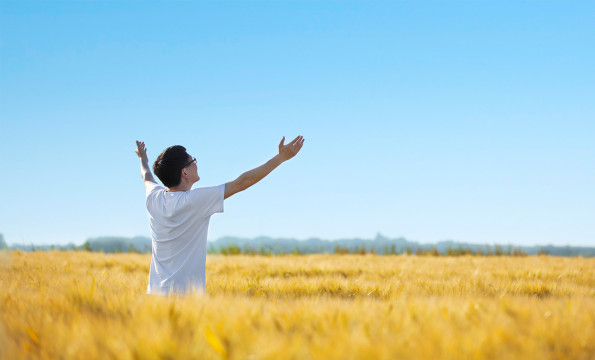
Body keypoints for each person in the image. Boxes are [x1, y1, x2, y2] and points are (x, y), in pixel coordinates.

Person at [134, 136, 305, 295]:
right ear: (184, 173)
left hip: (155, 294)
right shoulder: (195, 200)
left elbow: (146, 175)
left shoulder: (153, 197)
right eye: (193, 161)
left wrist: (143, 159)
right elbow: (241, 182)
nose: (196, 164)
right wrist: (280, 158)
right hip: (186, 297)